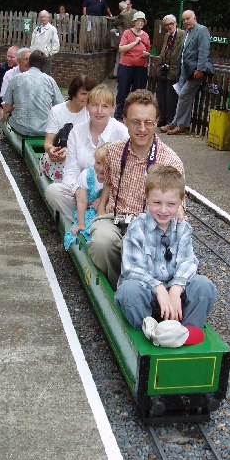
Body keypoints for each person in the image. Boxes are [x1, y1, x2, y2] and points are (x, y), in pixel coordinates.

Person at [89, 89, 185, 290]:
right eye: (135, 122)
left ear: (157, 121)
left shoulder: (170, 160)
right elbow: (108, 184)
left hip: (151, 227)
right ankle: (119, 288)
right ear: (124, 120)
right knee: (100, 241)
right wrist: (100, 212)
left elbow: (179, 207)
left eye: (148, 122)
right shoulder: (114, 152)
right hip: (116, 220)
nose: (142, 129)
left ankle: (148, 291)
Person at [115, 165, 217, 331]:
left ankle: (187, 330)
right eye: (156, 203)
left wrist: (176, 288)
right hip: (146, 290)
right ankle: (149, 331)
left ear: (181, 200)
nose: (163, 210)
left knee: (204, 286)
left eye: (171, 204)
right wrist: (159, 288)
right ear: (146, 198)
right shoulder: (136, 228)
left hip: (174, 289)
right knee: (129, 291)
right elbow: (132, 269)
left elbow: (188, 262)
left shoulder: (183, 229)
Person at [45, 84, 128, 222]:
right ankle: (84, 220)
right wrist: (79, 192)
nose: (99, 111)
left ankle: (94, 221)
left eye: (105, 106)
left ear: (113, 108)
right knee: (53, 192)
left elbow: (126, 174)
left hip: (110, 195)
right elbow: (71, 170)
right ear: (87, 106)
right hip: (82, 192)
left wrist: (105, 198)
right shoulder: (77, 132)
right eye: (95, 105)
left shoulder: (121, 132)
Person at [161, 9, 212, 135]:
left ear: (195, 18)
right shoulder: (188, 32)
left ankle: (180, 125)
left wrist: (200, 69)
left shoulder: (202, 30)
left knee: (183, 95)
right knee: (184, 97)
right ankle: (177, 123)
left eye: (188, 18)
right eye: (184, 19)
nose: (186, 21)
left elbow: (204, 51)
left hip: (195, 71)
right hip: (185, 71)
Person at [39, 74, 97, 181]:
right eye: (83, 94)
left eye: (90, 94)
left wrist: (70, 153)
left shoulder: (92, 113)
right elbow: (48, 143)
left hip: (81, 157)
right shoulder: (56, 111)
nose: (87, 98)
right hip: (59, 158)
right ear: (74, 93)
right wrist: (52, 150)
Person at [2, 50, 63, 137]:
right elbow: (60, 107)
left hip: (21, 128)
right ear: (44, 65)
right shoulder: (50, 81)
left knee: (5, 117)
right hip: (44, 129)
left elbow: (6, 108)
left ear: (29, 62)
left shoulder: (16, 78)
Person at [63, 143, 108, 251]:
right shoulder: (87, 175)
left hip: (104, 212)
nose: (101, 168)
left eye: (106, 165)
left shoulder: (115, 178)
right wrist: (81, 223)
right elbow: (82, 201)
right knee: (81, 230)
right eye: (98, 163)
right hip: (88, 211)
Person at [115, 11, 151, 121]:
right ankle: (119, 115)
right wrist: (135, 42)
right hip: (126, 66)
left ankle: (135, 116)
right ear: (134, 22)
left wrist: (147, 54)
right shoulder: (127, 33)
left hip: (141, 67)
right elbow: (121, 49)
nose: (140, 22)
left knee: (138, 93)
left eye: (142, 21)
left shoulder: (145, 35)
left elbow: (148, 50)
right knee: (122, 91)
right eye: (138, 20)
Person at [156, 14, 185, 128]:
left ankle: (170, 120)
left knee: (171, 98)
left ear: (176, 23)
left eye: (171, 24)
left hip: (174, 71)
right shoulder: (167, 35)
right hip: (163, 70)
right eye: (167, 25)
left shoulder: (183, 34)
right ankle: (162, 118)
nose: (169, 27)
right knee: (161, 97)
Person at [0, 45, 19, 119]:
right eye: (7, 56)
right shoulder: (1, 70)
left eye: (11, 57)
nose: (8, 59)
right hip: (4, 106)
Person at [109, 1, 134, 79]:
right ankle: (118, 73)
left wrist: (109, 19)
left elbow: (115, 23)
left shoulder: (122, 15)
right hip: (130, 37)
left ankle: (119, 74)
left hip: (122, 37)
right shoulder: (131, 13)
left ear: (120, 8)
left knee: (120, 56)